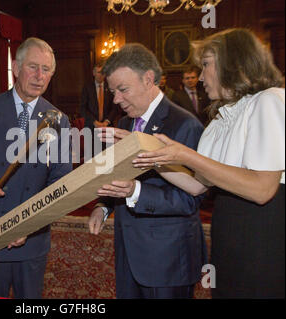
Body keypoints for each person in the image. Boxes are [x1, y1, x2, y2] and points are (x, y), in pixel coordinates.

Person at [133, 28, 285, 299]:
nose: (200, 77)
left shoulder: (268, 101)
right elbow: (197, 185)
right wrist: (148, 153)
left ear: (233, 62)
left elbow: (262, 190)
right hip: (228, 233)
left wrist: (187, 156)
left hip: (264, 235)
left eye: (205, 65)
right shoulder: (218, 120)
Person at [88, 43, 207, 299]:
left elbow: (192, 198)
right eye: (112, 92)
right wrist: (104, 205)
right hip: (128, 252)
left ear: (149, 79)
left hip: (167, 259)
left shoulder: (184, 125)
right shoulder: (124, 123)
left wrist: (136, 191)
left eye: (123, 90)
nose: (117, 100)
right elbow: (118, 174)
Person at [0, 37, 72, 298]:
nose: (39, 76)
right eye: (33, 67)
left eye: (46, 70)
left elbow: (61, 178)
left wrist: (28, 225)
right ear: (16, 68)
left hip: (32, 239)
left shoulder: (58, 120)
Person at [80, 62, 120, 132]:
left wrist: (106, 122)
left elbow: (115, 107)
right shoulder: (87, 87)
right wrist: (94, 122)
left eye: (103, 72)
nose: (101, 75)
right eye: (99, 72)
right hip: (91, 127)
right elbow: (83, 108)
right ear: (94, 73)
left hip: (107, 126)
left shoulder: (110, 86)